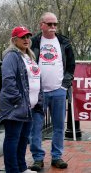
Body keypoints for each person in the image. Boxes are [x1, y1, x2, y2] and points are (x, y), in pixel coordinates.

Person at [29, 12, 75, 171]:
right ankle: (38, 158)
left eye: (55, 24)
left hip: (58, 92)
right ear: (41, 24)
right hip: (38, 93)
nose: (53, 27)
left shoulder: (64, 42)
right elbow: (27, 65)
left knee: (59, 126)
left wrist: (64, 86)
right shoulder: (33, 42)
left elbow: (71, 67)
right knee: (35, 126)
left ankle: (57, 156)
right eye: (49, 24)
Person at [0, 26, 42, 173]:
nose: (26, 40)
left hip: (28, 107)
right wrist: (18, 100)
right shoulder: (11, 56)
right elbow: (8, 81)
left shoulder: (30, 56)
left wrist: (37, 100)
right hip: (16, 107)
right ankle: (12, 170)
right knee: (13, 139)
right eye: (22, 37)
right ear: (14, 39)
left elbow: (35, 79)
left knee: (23, 139)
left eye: (28, 37)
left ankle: (22, 168)